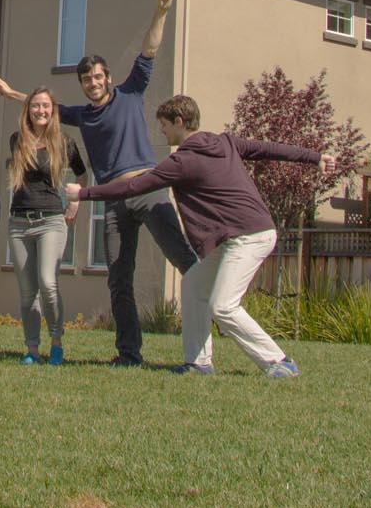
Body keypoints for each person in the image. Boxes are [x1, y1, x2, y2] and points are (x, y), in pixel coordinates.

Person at [0, 0, 202, 368]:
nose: (92, 83)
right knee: (118, 278)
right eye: (86, 79)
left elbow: (149, 49)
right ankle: (129, 354)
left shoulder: (131, 92)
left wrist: (161, 11)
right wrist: (11, 94)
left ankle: (203, 345)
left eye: (98, 77)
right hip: (113, 201)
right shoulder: (83, 115)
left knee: (184, 260)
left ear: (108, 77)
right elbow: (44, 108)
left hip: (148, 189)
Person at [68, 93, 317, 378]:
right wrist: (316, 158)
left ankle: (279, 362)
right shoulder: (225, 142)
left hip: (249, 237)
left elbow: (134, 186)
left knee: (223, 307)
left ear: (179, 121)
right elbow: (271, 149)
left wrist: (85, 193)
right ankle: (198, 362)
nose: (162, 132)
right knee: (194, 284)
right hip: (234, 237)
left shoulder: (183, 161)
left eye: (164, 125)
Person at [6, 88, 86, 365]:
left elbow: (82, 174)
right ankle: (32, 349)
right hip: (19, 222)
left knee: (48, 283)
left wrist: (75, 203)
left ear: (53, 111)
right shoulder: (17, 140)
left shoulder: (64, 142)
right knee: (28, 291)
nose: (40, 111)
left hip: (51, 220)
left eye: (46, 106)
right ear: (28, 111)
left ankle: (56, 344)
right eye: (35, 106)